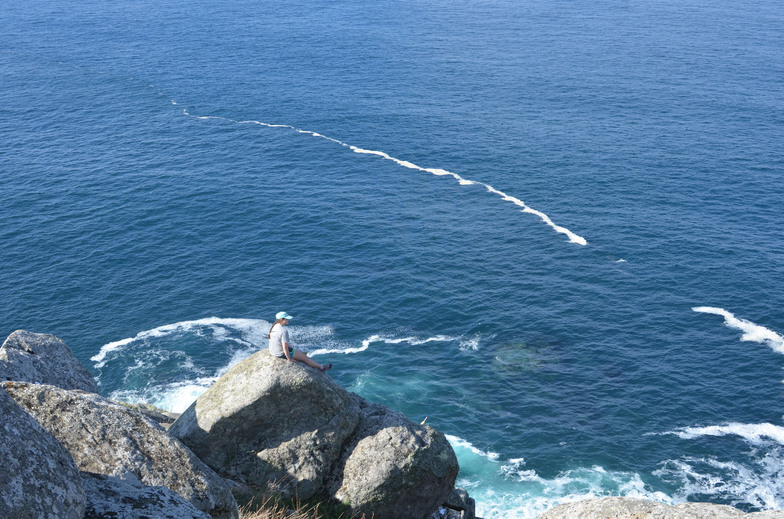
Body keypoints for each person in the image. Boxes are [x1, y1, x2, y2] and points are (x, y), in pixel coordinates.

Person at [267, 311, 332, 371]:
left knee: (297, 350)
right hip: (280, 353)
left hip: (273, 351)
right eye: (287, 319)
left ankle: (301, 354)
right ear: (281, 319)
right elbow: (284, 348)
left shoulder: (274, 326)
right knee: (305, 358)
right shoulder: (283, 331)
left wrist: (293, 348)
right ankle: (321, 367)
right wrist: (289, 359)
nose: (288, 320)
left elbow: (280, 342)